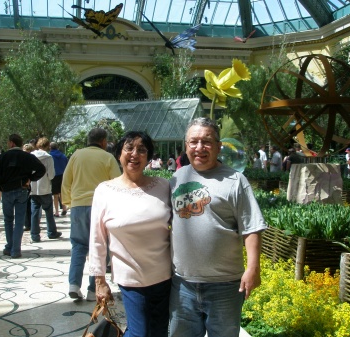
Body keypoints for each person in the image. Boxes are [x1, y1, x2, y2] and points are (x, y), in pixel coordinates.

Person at [169, 117, 267, 337]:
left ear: (218, 146)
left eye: (207, 142)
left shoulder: (235, 180)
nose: (199, 148)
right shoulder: (177, 177)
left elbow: (251, 227)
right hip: (183, 284)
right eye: (193, 142)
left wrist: (253, 268)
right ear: (186, 146)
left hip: (225, 285)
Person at [89, 131, 172, 337]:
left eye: (142, 150)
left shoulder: (163, 186)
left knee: (159, 332)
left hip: (165, 277)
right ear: (119, 154)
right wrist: (100, 281)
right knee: (139, 333)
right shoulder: (105, 191)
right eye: (129, 148)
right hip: (130, 278)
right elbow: (97, 239)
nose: (135, 154)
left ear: (149, 157)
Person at [62, 128, 121, 301]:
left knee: (78, 246)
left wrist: (68, 202)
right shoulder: (107, 157)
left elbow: (66, 180)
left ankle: (73, 284)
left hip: (79, 206)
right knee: (99, 248)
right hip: (100, 207)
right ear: (103, 141)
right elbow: (117, 184)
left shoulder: (76, 155)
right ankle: (92, 289)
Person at [0, 134, 46, 259]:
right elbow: (41, 169)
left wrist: (1, 187)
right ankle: (16, 250)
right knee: (19, 220)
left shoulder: (3, 156)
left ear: (11, 143)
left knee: (8, 219)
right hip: (22, 189)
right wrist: (30, 179)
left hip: (7, 191)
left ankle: (9, 246)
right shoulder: (27, 156)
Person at [30, 137, 62, 242]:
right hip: (45, 188)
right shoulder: (48, 157)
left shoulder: (31, 156)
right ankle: (51, 232)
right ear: (47, 145)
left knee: (34, 212)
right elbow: (51, 175)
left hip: (33, 188)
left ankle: (34, 235)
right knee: (49, 212)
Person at [50, 142, 68, 217]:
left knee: (55, 195)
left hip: (54, 176)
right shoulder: (63, 156)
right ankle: (64, 208)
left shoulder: (50, 156)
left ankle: (56, 211)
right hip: (62, 175)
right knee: (62, 193)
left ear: (50, 148)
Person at [22, 143, 35, 231]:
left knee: (29, 205)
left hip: (29, 184)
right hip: (23, 184)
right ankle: (28, 223)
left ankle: (29, 224)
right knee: (26, 205)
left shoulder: (31, 160)